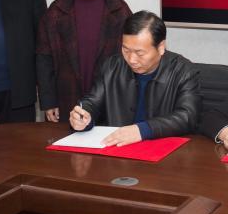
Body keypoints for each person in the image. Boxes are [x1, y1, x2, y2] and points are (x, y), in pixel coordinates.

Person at [68, 11, 201, 145]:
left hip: (161, 150)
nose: (131, 59)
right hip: (116, 149)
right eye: (126, 50)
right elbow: (92, 102)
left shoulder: (184, 71)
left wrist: (143, 130)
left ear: (161, 47)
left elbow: (187, 117)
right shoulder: (112, 67)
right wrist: (83, 116)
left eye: (140, 53)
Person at [36, 0, 131, 123]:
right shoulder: (56, 11)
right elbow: (43, 58)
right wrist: (49, 101)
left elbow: (130, 59)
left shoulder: (119, 10)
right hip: (67, 96)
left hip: (109, 97)